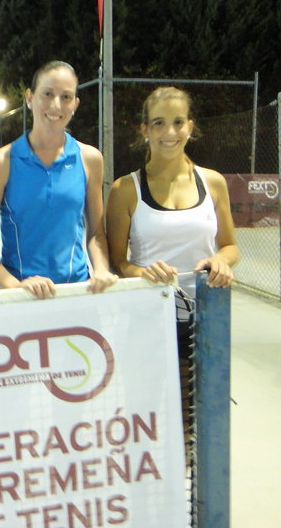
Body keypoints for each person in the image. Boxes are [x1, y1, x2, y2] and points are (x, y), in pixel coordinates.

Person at [105, 85, 239, 470]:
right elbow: (117, 262)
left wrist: (221, 261)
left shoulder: (213, 182)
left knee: (195, 422)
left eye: (178, 122)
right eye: (159, 123)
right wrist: (142, 272)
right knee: (148, 415)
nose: (170, 132)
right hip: (148, 321)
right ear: (144, 129)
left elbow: (230, 246)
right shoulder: (125, 189)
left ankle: (185, 486)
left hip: (205, 321)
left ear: (190, 127)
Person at [0, 60, 117, 299]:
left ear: (75, 104)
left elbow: (96, 234)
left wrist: (100, 269)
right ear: (29, 97)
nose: (56, 105)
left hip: (76, 293)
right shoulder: (0, 162)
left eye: (66, 97)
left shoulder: (90, 159)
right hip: (22, 298)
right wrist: (14, 285)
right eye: (47, 94)